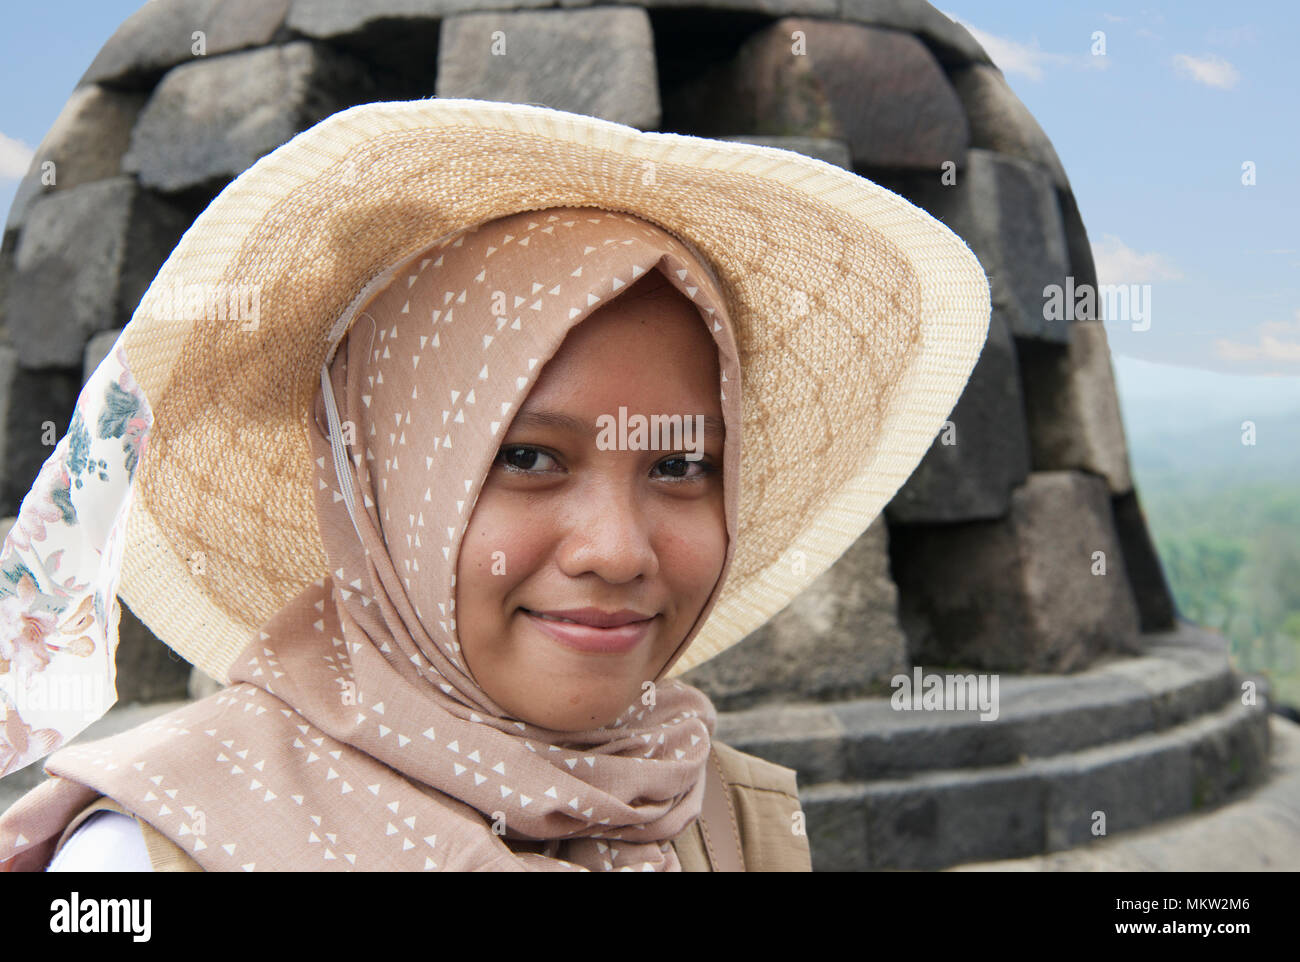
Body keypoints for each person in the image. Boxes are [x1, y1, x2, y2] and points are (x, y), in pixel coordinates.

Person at [0, 98, 991, 871]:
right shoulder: (153, 854)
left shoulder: (710, 810)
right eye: (525, 456)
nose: (615, 548)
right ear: (380, 492)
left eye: (680, 464)